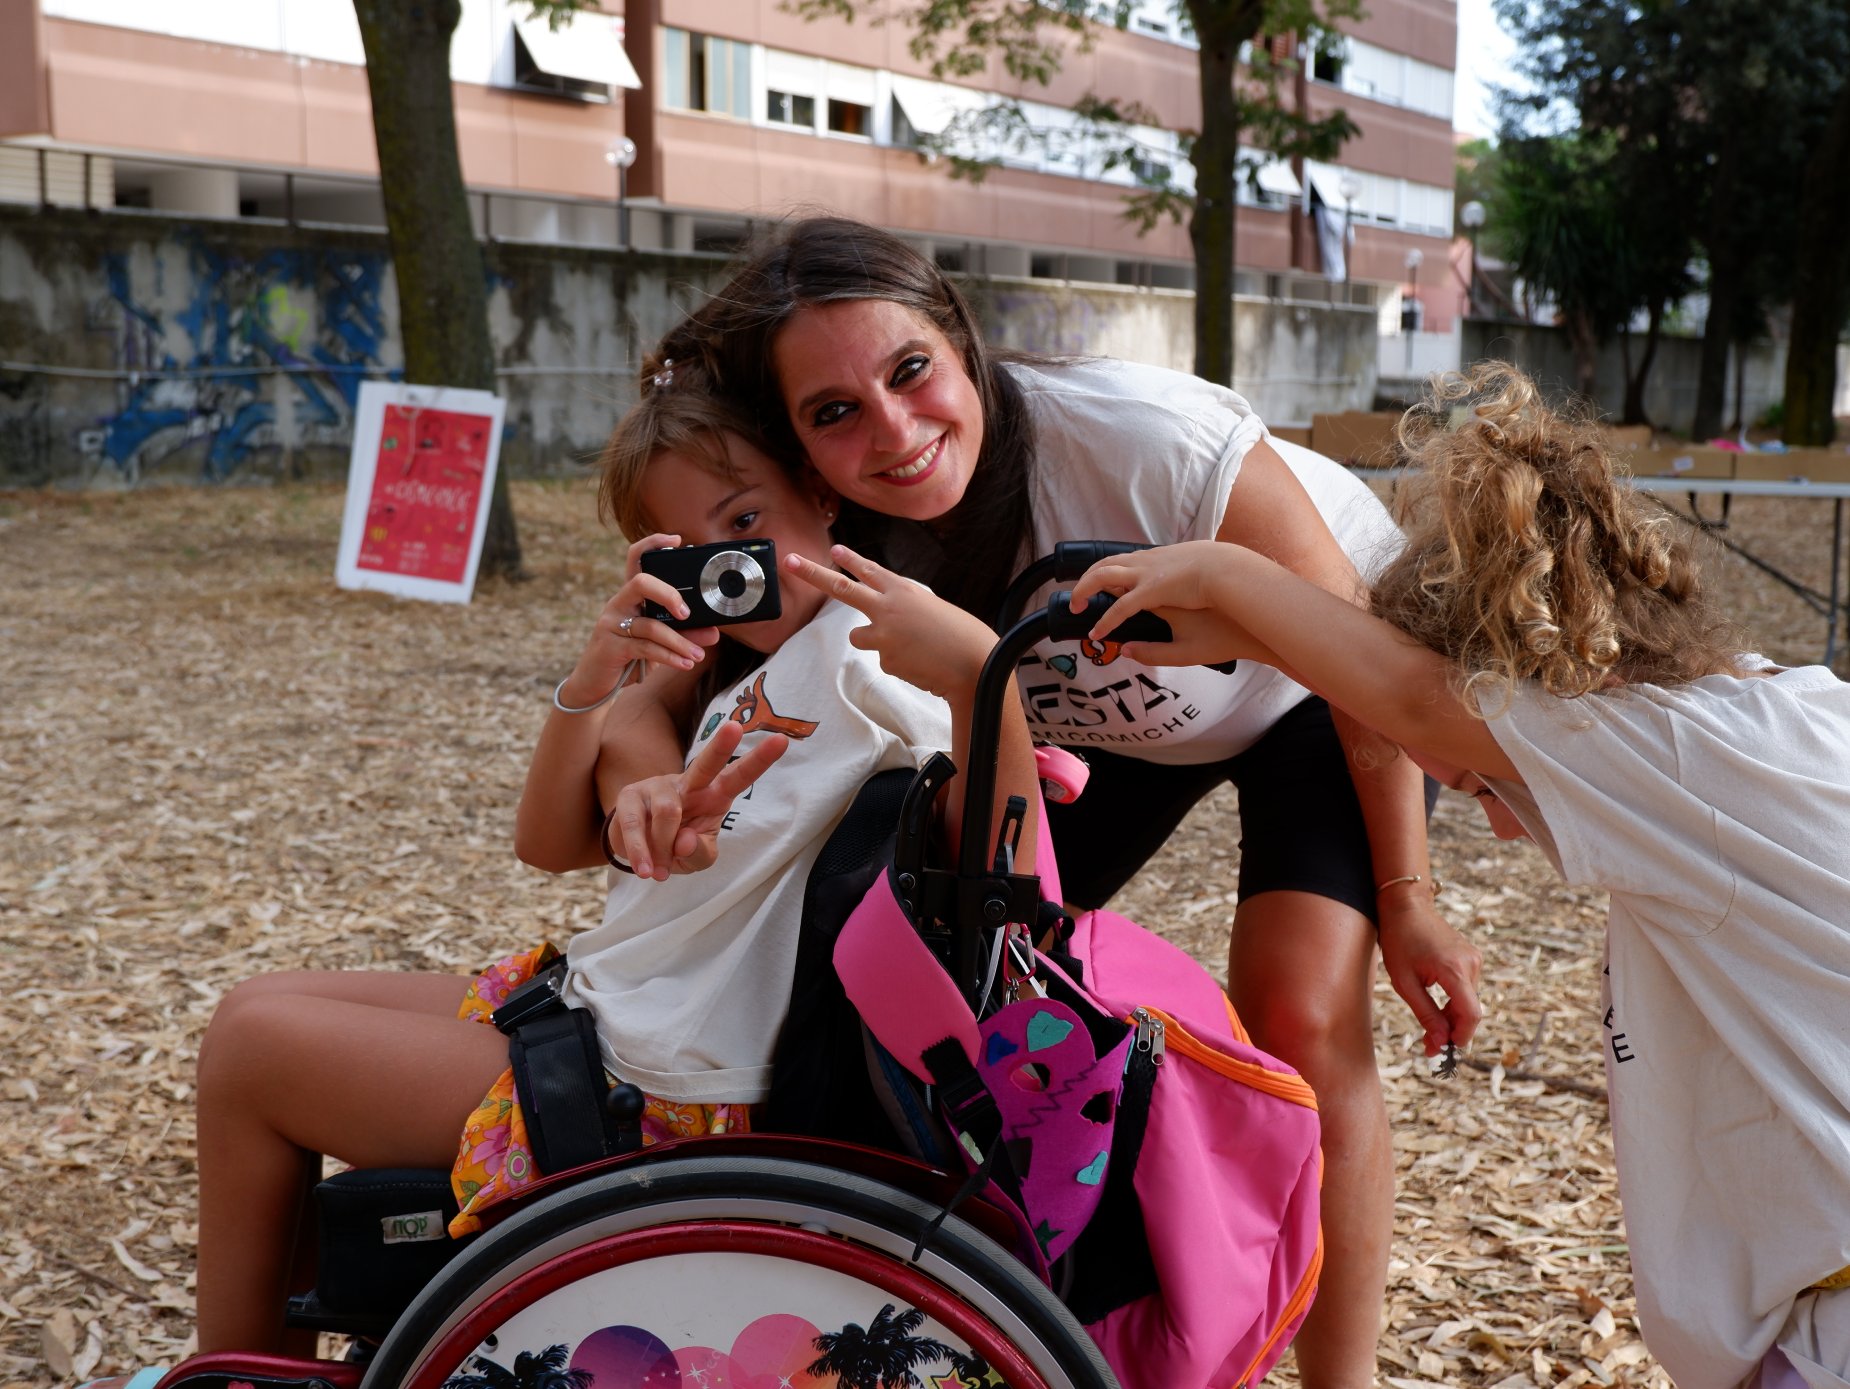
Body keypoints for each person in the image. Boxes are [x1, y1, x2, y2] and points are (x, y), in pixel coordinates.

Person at [609, 214, 1482, 1387]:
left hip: (1309, 692)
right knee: (949, 965)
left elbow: (1366, 669)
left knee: (1301, 1012)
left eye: (909, 371)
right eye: (832, 412)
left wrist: (1406, 896)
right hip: (1076, 723)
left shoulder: (1147, 441)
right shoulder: (828, 516)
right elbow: (688, 685)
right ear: (796, 448)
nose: (894, 433)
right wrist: (639, 768)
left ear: (962, 345)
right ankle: (999, 1302)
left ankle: (1340, 1377)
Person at [185, 363, 1034, 1355]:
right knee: (255, 1005)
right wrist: (601, 683)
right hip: (626, 1015)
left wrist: (983, 672)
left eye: (745, 517)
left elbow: (991, 854)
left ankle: (233, 1372)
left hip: (675, 1092)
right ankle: (265, 1353)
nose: (729, 564)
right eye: (689, 551)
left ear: (818, 490)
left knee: (250, 1058)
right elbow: (542, 846)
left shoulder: (864, 655)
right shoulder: (738, 672)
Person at [1069, 362, 1850, 1389]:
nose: (1494, 825)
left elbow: (1416, 698)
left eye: (1483, 786)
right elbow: (1418, 696)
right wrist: (1269, 638)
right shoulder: (1754, 726)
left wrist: (1227, 576)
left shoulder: (1675, 762)